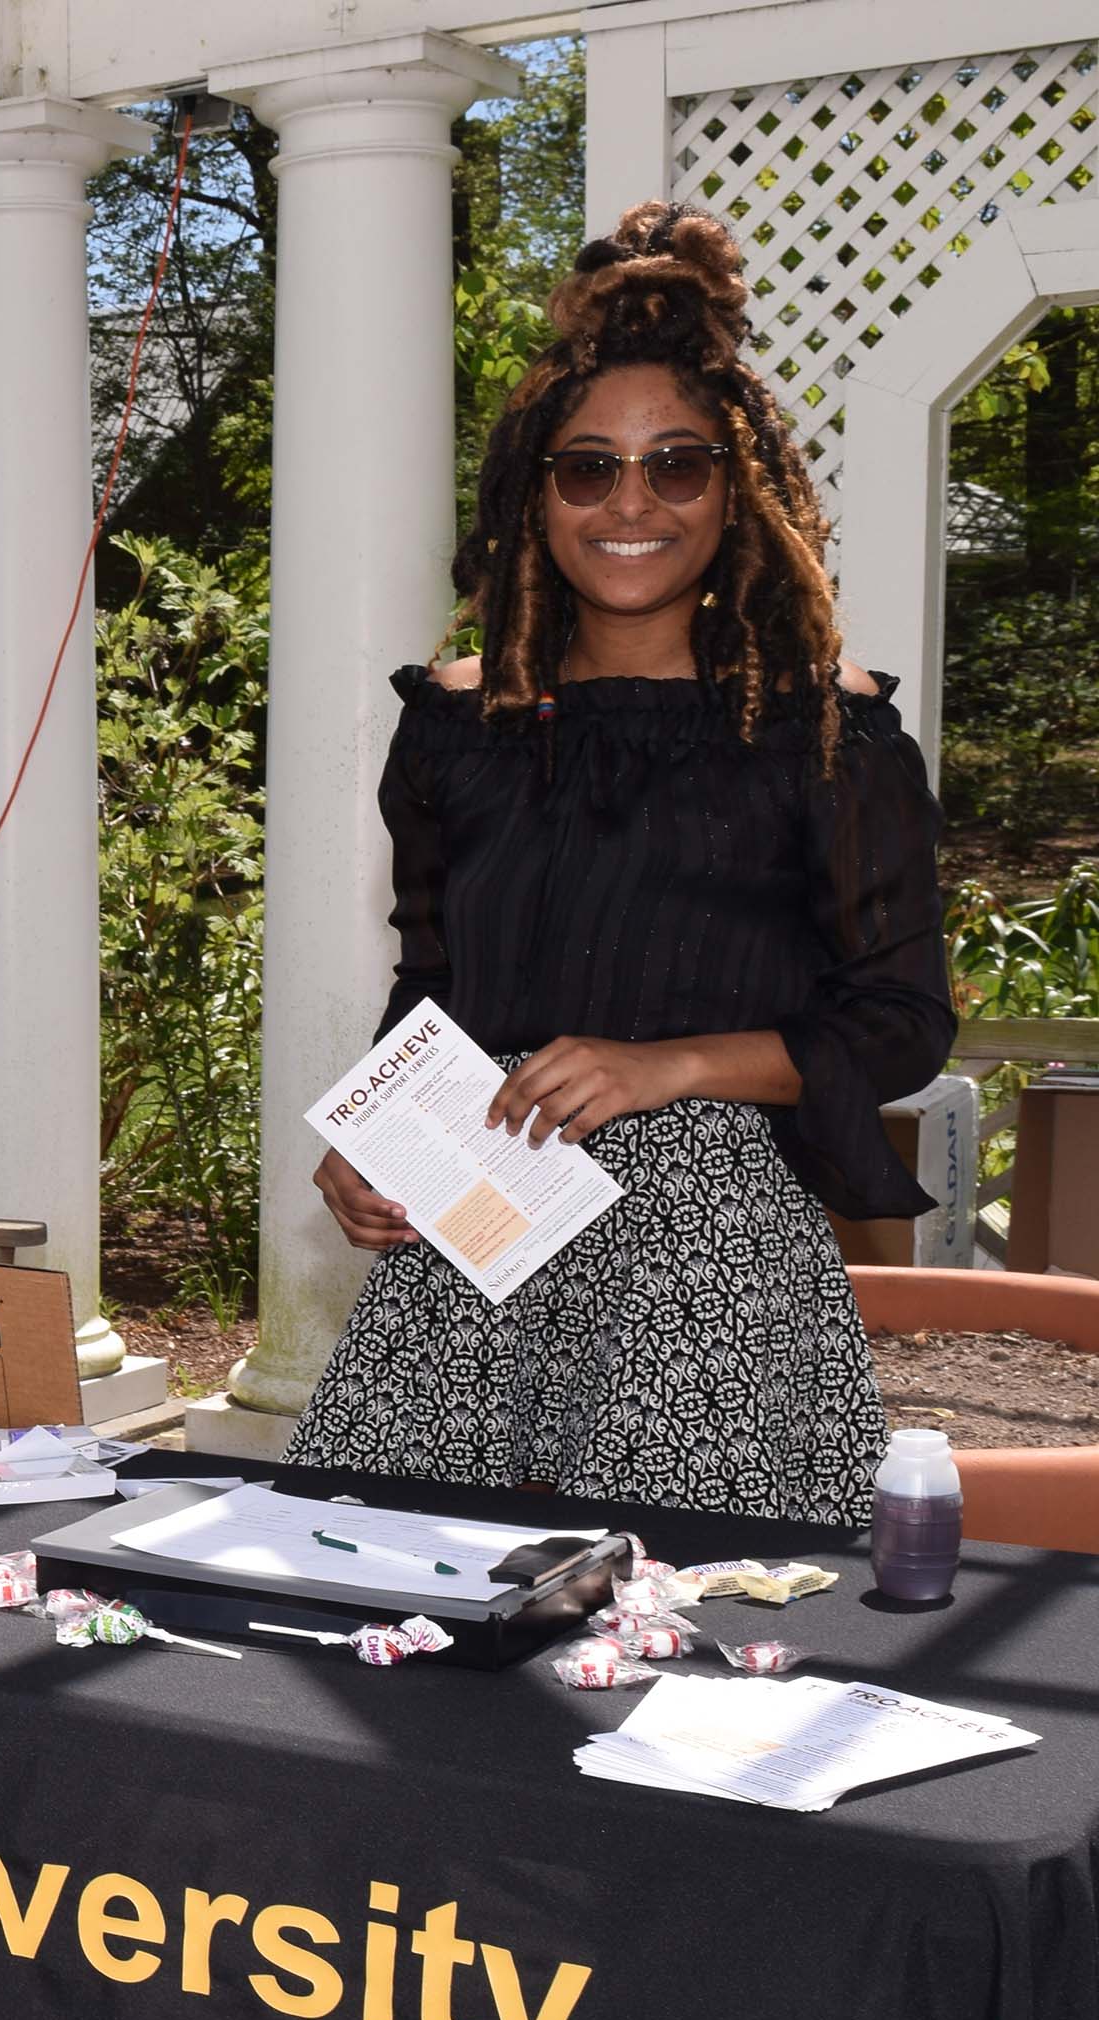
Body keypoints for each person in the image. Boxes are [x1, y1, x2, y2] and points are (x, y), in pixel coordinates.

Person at [284, 204, 953, 1525]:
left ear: (735, 489)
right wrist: (379, 1138)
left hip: (709, 1264)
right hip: (478, 1232)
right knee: (382, 1621)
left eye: (676, 467)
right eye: (588, 469)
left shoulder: (829, 731)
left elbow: (901, 1023)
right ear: (537, 494)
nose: (629, 503)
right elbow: (438, 989)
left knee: (683, 1658)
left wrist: (671, 1067)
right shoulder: (455, 731)